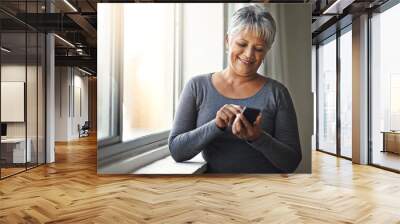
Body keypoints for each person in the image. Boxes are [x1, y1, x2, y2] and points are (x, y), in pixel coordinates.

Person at [168, 4, 302, 173]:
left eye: (259, 49)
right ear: (227, 41)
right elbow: (177, 150)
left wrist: (258, 138)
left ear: (267, 51)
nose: (249, 54)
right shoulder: (197, 86)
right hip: (212, 193)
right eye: (242, 44)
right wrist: (216, 125)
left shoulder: (277, 93)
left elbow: (292, 161)